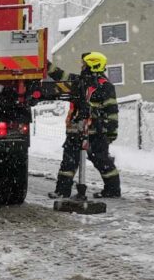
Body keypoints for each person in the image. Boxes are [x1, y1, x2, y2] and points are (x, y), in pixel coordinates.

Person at [48, 51, 121, 199]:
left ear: (92, 65)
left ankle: (112, 190)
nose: (82, 66)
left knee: (101, 160)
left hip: (95, 132)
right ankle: (62, 191)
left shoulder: (105, 86)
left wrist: (111, 132)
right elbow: (60, 75)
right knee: (69, 161)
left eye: (84, 64)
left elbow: (112, 111)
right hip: (77, 130)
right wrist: (46, 64)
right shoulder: (78, 81)